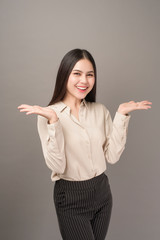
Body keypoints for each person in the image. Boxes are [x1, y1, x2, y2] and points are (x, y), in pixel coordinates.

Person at [17, 49, 152, 240]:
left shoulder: (100, 111)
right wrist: (54, 122)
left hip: (102, 193)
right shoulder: (48, 115)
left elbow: (112, 157)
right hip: (70, 198)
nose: (84, 81)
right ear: (65, 74)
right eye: (77, 74)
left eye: (90, 75)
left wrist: (121, 115)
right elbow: (58, 166)